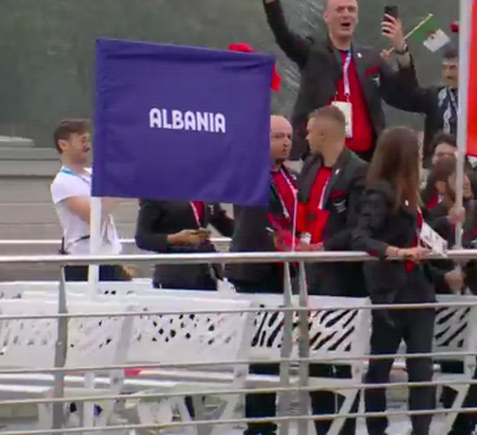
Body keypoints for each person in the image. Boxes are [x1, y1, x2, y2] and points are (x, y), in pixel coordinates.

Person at [246, 0, 426, 163]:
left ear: (357, 18)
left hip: (365, 160)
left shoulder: (370, 58)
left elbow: (406, 92)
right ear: (326, 17)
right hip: (319, 157)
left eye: (351, 10)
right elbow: (282, 32)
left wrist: (402, 48)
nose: (346, 15)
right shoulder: (313, 51)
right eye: (339, 10)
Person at [226, 115, 310, 435]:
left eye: (288, 136)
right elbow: (254, 224)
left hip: (287, 272)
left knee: (276, 351)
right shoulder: (252, 176)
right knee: (261, 352)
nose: (286, 142)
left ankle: (266, 419)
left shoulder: (290, 177)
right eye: (277, 136)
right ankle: (259, 423)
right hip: (259, 273)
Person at [351, 127, 435, 435]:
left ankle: (421, 430)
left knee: (422, 368)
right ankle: (377, 428)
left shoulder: (413, 194)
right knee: (380, 367)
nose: (422, 157)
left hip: (420, 290)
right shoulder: (380, 193)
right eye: (418, 151)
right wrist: (396, 252)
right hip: (392, 292)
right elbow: (361, 236)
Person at [298, 105, 368, 435]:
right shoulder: (310, 166)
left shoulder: (359, 172)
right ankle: (324, 427)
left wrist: (324, 247)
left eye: (310, 131)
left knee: (342, 364)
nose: (306, 137)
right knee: (315, 362)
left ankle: (346, 429)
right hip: (310, 279)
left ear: (324, 134)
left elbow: (358, 228)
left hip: (343, 281)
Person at [426, 157, 477, 435]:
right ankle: (458, 424)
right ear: (440, 185)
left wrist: (468, 254)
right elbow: (428, 259)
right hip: (451, 313)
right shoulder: (432, 219)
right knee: (453, 374)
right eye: (456, 176)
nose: (467, 180)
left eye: (467, 174)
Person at [50, 119, 127, 281]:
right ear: (63, 145)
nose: (87, 145)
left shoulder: (95, 175)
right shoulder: (62, 182)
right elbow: (93, 217)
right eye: (82, 140)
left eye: (88, 140)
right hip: (84, 261)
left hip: (110, 257)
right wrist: (114, 189)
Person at [135, 199, 233, 290]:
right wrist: (177, 238)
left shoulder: (205, 191)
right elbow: (143, 238)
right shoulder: (158, 194)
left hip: (206, 272)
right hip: (175, 273)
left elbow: (226, 225)